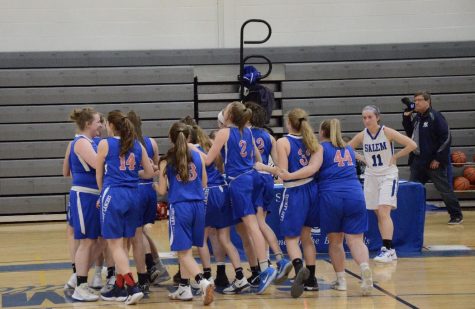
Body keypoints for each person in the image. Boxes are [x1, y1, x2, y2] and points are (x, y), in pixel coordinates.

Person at [203, 101, 277, 295]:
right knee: (249, 228)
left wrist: (192, 151)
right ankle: (260, 267)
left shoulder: (224, 133)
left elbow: (208, 160)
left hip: (238, 182)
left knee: (252, 227)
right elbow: (258, 160)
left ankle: (265, 268)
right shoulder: (248, 131)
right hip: (252, 178)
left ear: (229, 116)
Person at [259, 108, 322, 298]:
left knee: (291, 239)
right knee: (307, 237)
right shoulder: (313, 142)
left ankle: (298, 268)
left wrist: (263, 167)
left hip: (295, 191)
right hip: (313, 191)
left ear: (288, 123)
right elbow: (312, 168)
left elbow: (283, 172)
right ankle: (312, 280)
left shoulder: (283, 142)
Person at [96, 110, 155, 305]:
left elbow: (99, 176)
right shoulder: (138, 145)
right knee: (124, 243)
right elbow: (148, 173)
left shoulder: (105, 143)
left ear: (111, 125)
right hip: (133, 194)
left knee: (114, 244)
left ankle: (132, 286)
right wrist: (131, 173)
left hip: (113, 193)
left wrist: (101, 193)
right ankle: (120, 287)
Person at [156, 122, 214, 305]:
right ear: (189, 137)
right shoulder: (198, 156)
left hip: (180, 207)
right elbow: (204, 183)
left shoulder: (166, 160)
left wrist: (153, 183)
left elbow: (162, 191)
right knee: (188, 250)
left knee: (184, 253)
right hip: (198, 206)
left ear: (170, 138)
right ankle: (184, 288)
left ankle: (202, 282)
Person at [350, 105, 416, 262]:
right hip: (371, 176)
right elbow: (346, 149)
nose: (366, 120)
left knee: (384, 211)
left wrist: (396, 156)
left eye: (370, 117)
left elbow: (412, 145)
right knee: (378, 213)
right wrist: (360, 157)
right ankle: (389, 250)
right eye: (364, 117)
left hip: (388, 175)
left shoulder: (387, 132)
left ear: (377, 117)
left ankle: (387, 248)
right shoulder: (362, 135)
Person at [318, 119, 373, 295]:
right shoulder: (348, 148)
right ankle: (364, 268)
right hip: (355, 194)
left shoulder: (320, 148)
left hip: (331, 196)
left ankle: (341, 281)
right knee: (356, 240)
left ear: (322, 132)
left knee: (335, 241)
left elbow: (312, 170)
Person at [245, 102, 292, 287]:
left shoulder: (243, 134)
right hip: (267, 180)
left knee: (257, 226)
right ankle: (269, 262)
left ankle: (278, 259)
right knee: (260, 224)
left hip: (253, 178)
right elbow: (280, 168)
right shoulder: (269, 137)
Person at [402, 91, 464, 224]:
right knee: (412, 190)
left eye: (419, 100)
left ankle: (456, 215)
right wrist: (406, 117)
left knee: (444, 190)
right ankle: (411, 216)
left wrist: (438, 159)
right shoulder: (418, 118)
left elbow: (446, 138)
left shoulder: (435, 116)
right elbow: (410, 134)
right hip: (418, 162)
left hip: (433, 163)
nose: (416, 102)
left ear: (428, 101)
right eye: (415, 100)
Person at [127, 111, 170, 289]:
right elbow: (157, 168)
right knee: (143, 231)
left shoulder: (127, 144)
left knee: (137, 234)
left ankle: (147, 270)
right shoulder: (151, 142)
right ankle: (157, 264)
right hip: (149, 190)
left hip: (135, 189)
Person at [66, 108, 103, 301]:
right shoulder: (80, 142)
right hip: (84, 196)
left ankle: (77, 278)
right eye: (98, 121)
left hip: (93, 195)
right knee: (87, 241)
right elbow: (99, 164)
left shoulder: (88, 142)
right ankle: (80, 285)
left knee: (99, 240)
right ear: (88, 124)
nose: (101, 125)